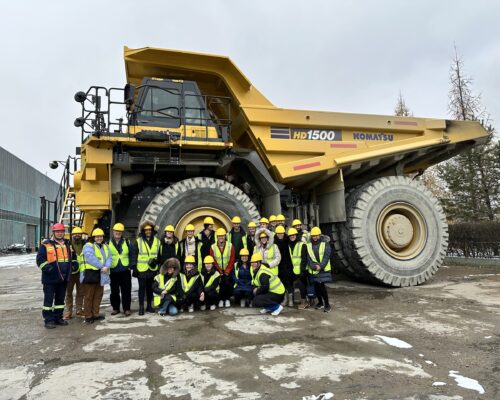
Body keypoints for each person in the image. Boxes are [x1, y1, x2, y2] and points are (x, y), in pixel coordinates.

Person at [36, 223, 72, 329]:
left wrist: (74, 264)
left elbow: (72, 256)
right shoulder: (46, 245)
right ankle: (48, 320)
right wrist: (48, 268)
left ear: (64, 233)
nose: (60, 233)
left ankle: (58, 318)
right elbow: (40, 260)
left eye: (61, 231)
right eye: (57, 232)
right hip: (50, 279)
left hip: (63, 278)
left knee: (60, 300)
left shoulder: (67, 244)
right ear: (54, 233)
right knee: (48, 300)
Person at [82, 228, 112, 323]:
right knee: (89, 296)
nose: (99, 238)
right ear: (93, 237)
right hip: (91, 274)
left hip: (101, 274)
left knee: (98, 295)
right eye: (97, 236)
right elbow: (90, 258)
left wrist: (107, 266)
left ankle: (95, 314)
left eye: (101, 236)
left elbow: (109, 257)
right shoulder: (88, 245)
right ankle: (88, 316)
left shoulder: (105, 246)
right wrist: (102, 266)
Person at [135, 222, 160, 315]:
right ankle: (141, 307)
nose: (148, 231)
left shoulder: (157, 241)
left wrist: (157, 261)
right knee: (141, 289)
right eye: (146, 230)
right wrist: (135, 268)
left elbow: (159, 255)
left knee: (150, 289)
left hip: (152, 270)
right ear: (143, 231)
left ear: (152, 231)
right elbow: (134, 255)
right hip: (142, 269)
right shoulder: (138, 241)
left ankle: (149, 306)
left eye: (149, 230)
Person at [108, 223, 133, 316]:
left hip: (125, 270)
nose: (117, 233)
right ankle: (115, 308)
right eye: (116, 231)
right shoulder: (108, 242)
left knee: (126, 291)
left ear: (122, 233)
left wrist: (130, 265)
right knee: (114, 291)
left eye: (119, 231)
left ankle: (127, 309)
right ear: (113, 232)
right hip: (113, 270)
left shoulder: (127, 242)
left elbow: (131, 254)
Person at [307, 226, 332, 313]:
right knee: (316, 287)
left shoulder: (325, 243)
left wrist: (320, 266)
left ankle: (327, 304)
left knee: (322, 287)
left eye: (316, 235)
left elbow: (326, 256)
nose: (315, 237)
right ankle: (320, 303)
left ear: (319, 235)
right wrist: (313, 266)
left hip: (322, 269)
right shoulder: (309, 244)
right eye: (313, 236)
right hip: (314, 269)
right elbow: (308, 257)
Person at [63, 226, 85, 320]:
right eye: (75, 234)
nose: (77, 235)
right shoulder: (67, 244)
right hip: (70, 273)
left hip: (81, 272)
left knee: (81, 292)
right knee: (68, 293)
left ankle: (79, 310)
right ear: (72, 235)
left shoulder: (85, 244)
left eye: (79, 234)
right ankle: (68, 311)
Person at [210, 228, 235, 307]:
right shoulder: (213, 247)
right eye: (219, 236)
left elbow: (232, 258)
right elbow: (213, 260)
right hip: (218, 270)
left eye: (223, 236)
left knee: (227, 282)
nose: (221, 238)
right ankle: (221, 299)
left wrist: (227, 270)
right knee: (220, 283)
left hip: (228, 269)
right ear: (217, 237)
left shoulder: (230, 245)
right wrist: (220, 271)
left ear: (225, 237)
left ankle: (227, 299)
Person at [288, 227, 310, 309]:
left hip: (301, 270)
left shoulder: (302, 244)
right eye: (290, 236)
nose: (292, 237)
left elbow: (304, 259)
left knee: (302, 286)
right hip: (294, 270)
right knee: (299, 285)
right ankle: (306, 301)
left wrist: (302, 270)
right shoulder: (290, 246)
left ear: (296, 235)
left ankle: (304, 302)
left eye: (293, 235)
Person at [274, 225, 294, 307]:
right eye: (278, 234)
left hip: (288, 265)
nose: (280, 235)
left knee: (289, 283)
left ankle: (291, 300)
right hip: (279, 266)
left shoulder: (288, 241)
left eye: (281, 233)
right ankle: (285, 299)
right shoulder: (274, 243)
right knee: (282, 284)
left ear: (284, 233)